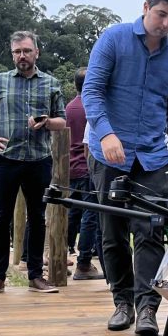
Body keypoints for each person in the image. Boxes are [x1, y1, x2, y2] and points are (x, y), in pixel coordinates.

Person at [82, 0, 168, 336]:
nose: (165, 24)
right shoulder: (113, 39)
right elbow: (92, 91)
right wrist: (106, 132)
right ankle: (122, 302)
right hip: (109, 151)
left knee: (151, 231)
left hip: (153, 155)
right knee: (112, 233)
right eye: (161, 14)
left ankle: (147, 308)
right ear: (145, 7)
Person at [0, 31, 66, 296]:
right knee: (1, 218)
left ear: (37, 52)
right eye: (17, 51)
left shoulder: (50, 83)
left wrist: (46, 123)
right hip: (6, 159)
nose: (22, 56)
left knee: (38, 218)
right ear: (12, 53)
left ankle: (36, 275)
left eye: (27, 51)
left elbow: (62, 121)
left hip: (39, 159)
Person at [65, 67, 103, 281]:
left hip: (69, 166)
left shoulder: (69, 107)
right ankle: (84, 262)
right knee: (91, 215)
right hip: (88, 166)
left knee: (72, 213)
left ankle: (63, 253)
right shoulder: (91, 107)